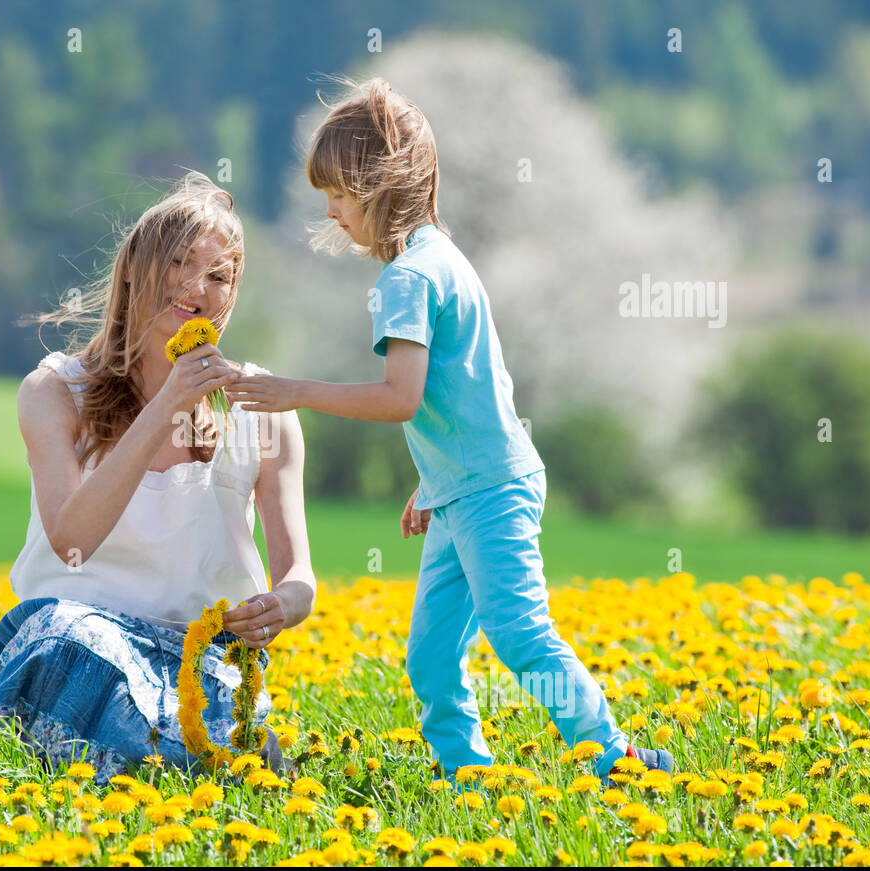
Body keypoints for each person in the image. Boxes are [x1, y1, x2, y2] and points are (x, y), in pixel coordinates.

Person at [224, 78, 673, 786]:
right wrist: (433, 480)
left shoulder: (408, 278)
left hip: (489, 491)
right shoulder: (442, 257)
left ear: (381, 186)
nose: (332, 211)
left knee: (521, 635)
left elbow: (400, 398)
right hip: (466, 487)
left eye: (339, 192)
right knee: (432, 655)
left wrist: (294, 393)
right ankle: (469, 776)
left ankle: (615, 757)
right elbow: (459, 394)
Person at [0, 172, 316, 785]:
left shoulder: (260, 406)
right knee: (78, 646)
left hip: (197, 658)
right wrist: (165, 407)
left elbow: (299, 573)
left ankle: (172, 759)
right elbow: (71, 543)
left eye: (220, 276)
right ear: (132, 273)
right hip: (73, 639)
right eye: (178, 263)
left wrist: (284, 605)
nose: (197, 286)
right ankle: (185, 763)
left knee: (194, 711)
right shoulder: (55, 391)